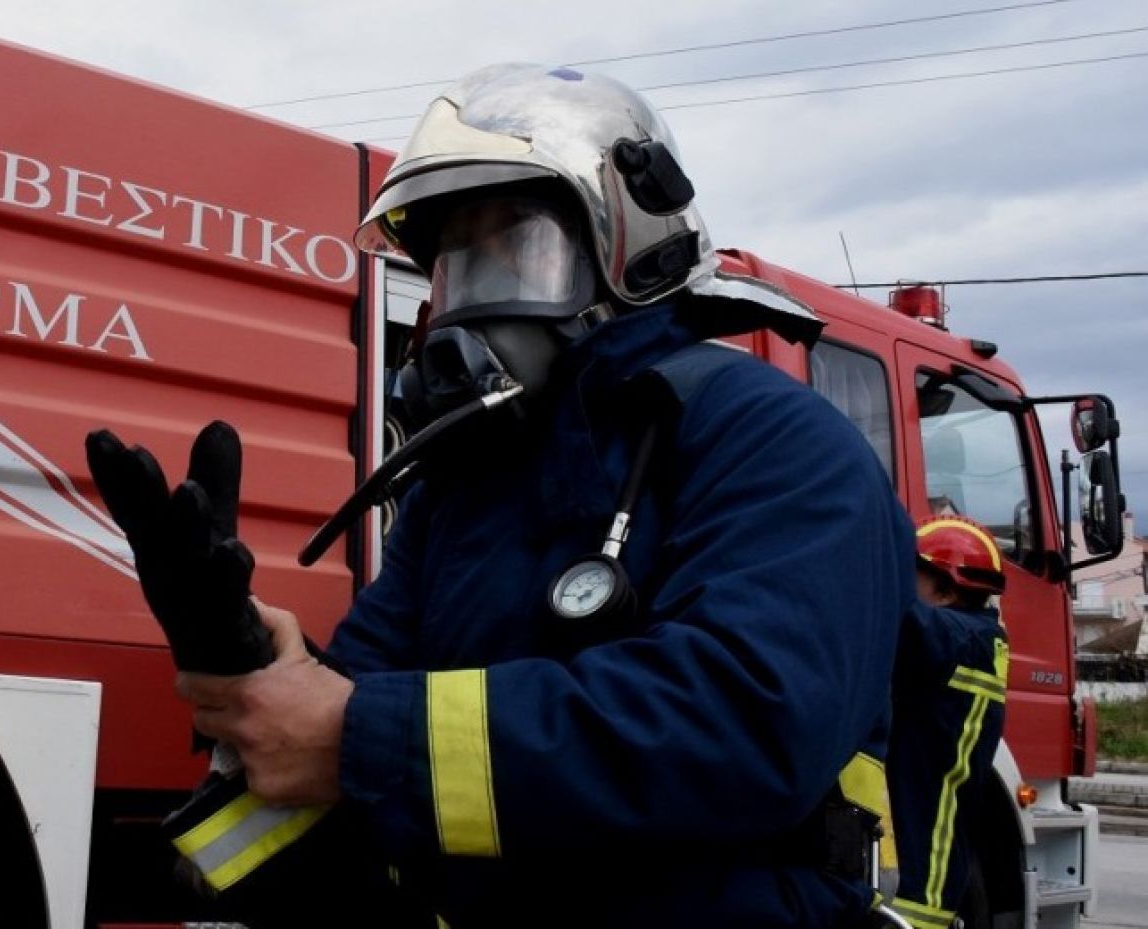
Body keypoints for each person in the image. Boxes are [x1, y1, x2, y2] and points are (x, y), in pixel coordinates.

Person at [164, 63, 918, 926]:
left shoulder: (774, 440)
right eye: (456, 268)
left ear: (629, 251)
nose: (468, 305)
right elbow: (334, 749)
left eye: (515, 250)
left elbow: (751, 725)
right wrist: (251, 685)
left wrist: (355, 735)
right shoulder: (460, 496)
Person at [887, 516, 1010, 929]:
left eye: (912, 576)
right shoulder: (974, 639)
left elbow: (897, 612)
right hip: (927, 859)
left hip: (922, 877)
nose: (904, 585)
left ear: (945, 590)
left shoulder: (959, 636)